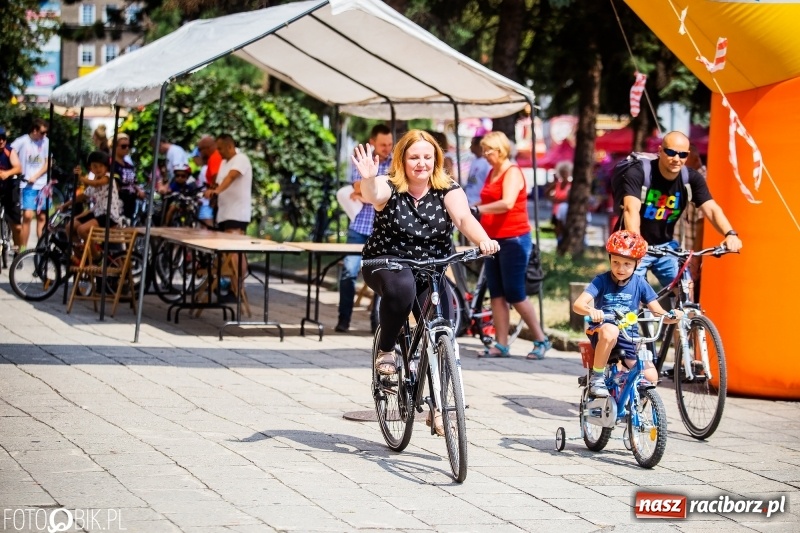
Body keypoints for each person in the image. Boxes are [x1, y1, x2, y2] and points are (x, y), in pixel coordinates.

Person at [355, 129, 499, 435]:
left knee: (441, 326)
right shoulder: (390, 185)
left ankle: (439, 407)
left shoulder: (447, 189)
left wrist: (483, 240)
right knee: (402, 290)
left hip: (430, 267)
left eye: (427, 157)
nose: (421, 163)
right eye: (414, 157)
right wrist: (368, 178)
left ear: (436, 159)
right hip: (387, 262)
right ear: (402, 160)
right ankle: (386, 349)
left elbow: (464, 219)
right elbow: (373, 194)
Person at [616, 131, 742, 288]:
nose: (676, 159)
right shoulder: (639, 172)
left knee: (686, 287)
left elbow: (711, 209)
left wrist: (730, 234)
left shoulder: (691, 179)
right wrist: (637, 242)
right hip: (633, 243)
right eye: (671, 152)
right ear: (660, 150)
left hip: (666, 246)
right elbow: (630, 209)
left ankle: (682, 305)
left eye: (682, 155)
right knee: (630, 291)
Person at [572, 230, 682, 398]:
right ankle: (597, 378)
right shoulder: (601, 281)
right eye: (615, 262)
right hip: (603, 332)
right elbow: (578, 305)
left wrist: (671, 316)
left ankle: (627, 401)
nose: (620, 268)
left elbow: (657, 312)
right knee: (611, 330)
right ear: (610, 259)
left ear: (638, 263)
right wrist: (591, 310)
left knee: (651, 377)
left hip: (629, 337)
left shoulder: (640, 283)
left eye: (627, 264)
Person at [471, 131, 551, 360]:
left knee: (515, 293)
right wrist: (467, 208)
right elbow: (487, 200)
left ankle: (541, 339)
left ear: (500, 150)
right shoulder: (492, 172)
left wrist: (478, 210)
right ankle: (501, 344)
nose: (485, 154)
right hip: (492, 240)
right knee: (496, 294)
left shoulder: (512, 172)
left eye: (488, 150)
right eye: (484, 150)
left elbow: (506, 203)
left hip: (513, 240)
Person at [335, 124, 393, 333]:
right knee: (348, 272)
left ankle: (376, 322)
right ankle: (344, 319)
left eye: (390, 144)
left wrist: (366, 192)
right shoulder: (362, 160)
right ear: (372, 142)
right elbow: (357, 185)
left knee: (381, 275)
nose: (387, 148)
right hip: (359, 226)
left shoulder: (395, 162)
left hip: (382, 229)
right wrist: (372, 191)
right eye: (383, 144)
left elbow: (391, 191)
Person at [65, 151, 123, 243]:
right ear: (90, 168)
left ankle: (95, 252)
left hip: (109, 215)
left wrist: (80, 178)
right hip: (97, 213)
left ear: (106, 168)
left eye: (101, 166)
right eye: (95, 166)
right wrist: (64, 205)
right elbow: (82, 196)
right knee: (69, 227)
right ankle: (79, 249)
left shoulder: (108, 177)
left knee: (81, 230)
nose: (98, 169)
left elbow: (96, 184)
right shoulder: (92, 184)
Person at [11, 119, 50, 249]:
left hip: (42, 184)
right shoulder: (23, 141)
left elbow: (48, 163)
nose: (44, 135)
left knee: (42, 217)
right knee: (27, 216)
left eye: (46, 132)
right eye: (42, 132)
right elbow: (10, 151)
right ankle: (23, 249)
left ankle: (42, 248)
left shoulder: (46, 142)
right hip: (27, 184)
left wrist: (36, 176)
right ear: (34, 130)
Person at [0, 127, 23, 253]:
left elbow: (18, 168)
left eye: (3, 138)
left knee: (17, 227)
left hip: (10, 189)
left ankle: (17, 253)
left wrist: (7, 173)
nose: (1, 141)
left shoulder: (9, 151)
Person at [112, 133, 144, 223]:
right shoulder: (111, 164)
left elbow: (134, 181)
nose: (127, 149)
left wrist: (139, 190)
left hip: (131, 201)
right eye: (123, 146)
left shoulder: (129, 166)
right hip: (117, 202)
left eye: (128, 146)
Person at [193, 135, 222, 229]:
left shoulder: (214, 158)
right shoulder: (214, 157)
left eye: (200, 150)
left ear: (207, 148)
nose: (200, 154)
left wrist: (212, 194)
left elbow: (216, 179)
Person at [543, 161, 572, 243]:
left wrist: (561, 200)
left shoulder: (571, 184)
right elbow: (546, 193)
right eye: (562, 172)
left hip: (566, 211)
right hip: (556, 210)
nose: (564, 174)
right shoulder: (557, 184)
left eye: (565, 172)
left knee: (565, 229)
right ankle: (559, 244)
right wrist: (552, 199)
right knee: (557, 229)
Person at [463, 135, 490, 207]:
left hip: (478, 203)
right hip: (469, 202)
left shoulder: (487, 163)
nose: (470, 147)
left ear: (478, 146)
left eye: (472, 144)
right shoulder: (474, 160)